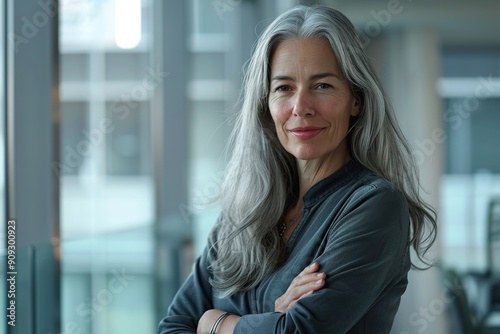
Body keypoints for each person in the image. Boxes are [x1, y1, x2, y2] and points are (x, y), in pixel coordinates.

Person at [158, 4, 437, 334]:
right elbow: (173, 327)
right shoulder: (243, 210)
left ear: (356, 99)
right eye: (284, 88)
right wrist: (274, 318)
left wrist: (214, 323)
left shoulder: (375, 205)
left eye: (322, 86)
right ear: (266, 104)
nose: (301, 107)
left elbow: (299, 332)